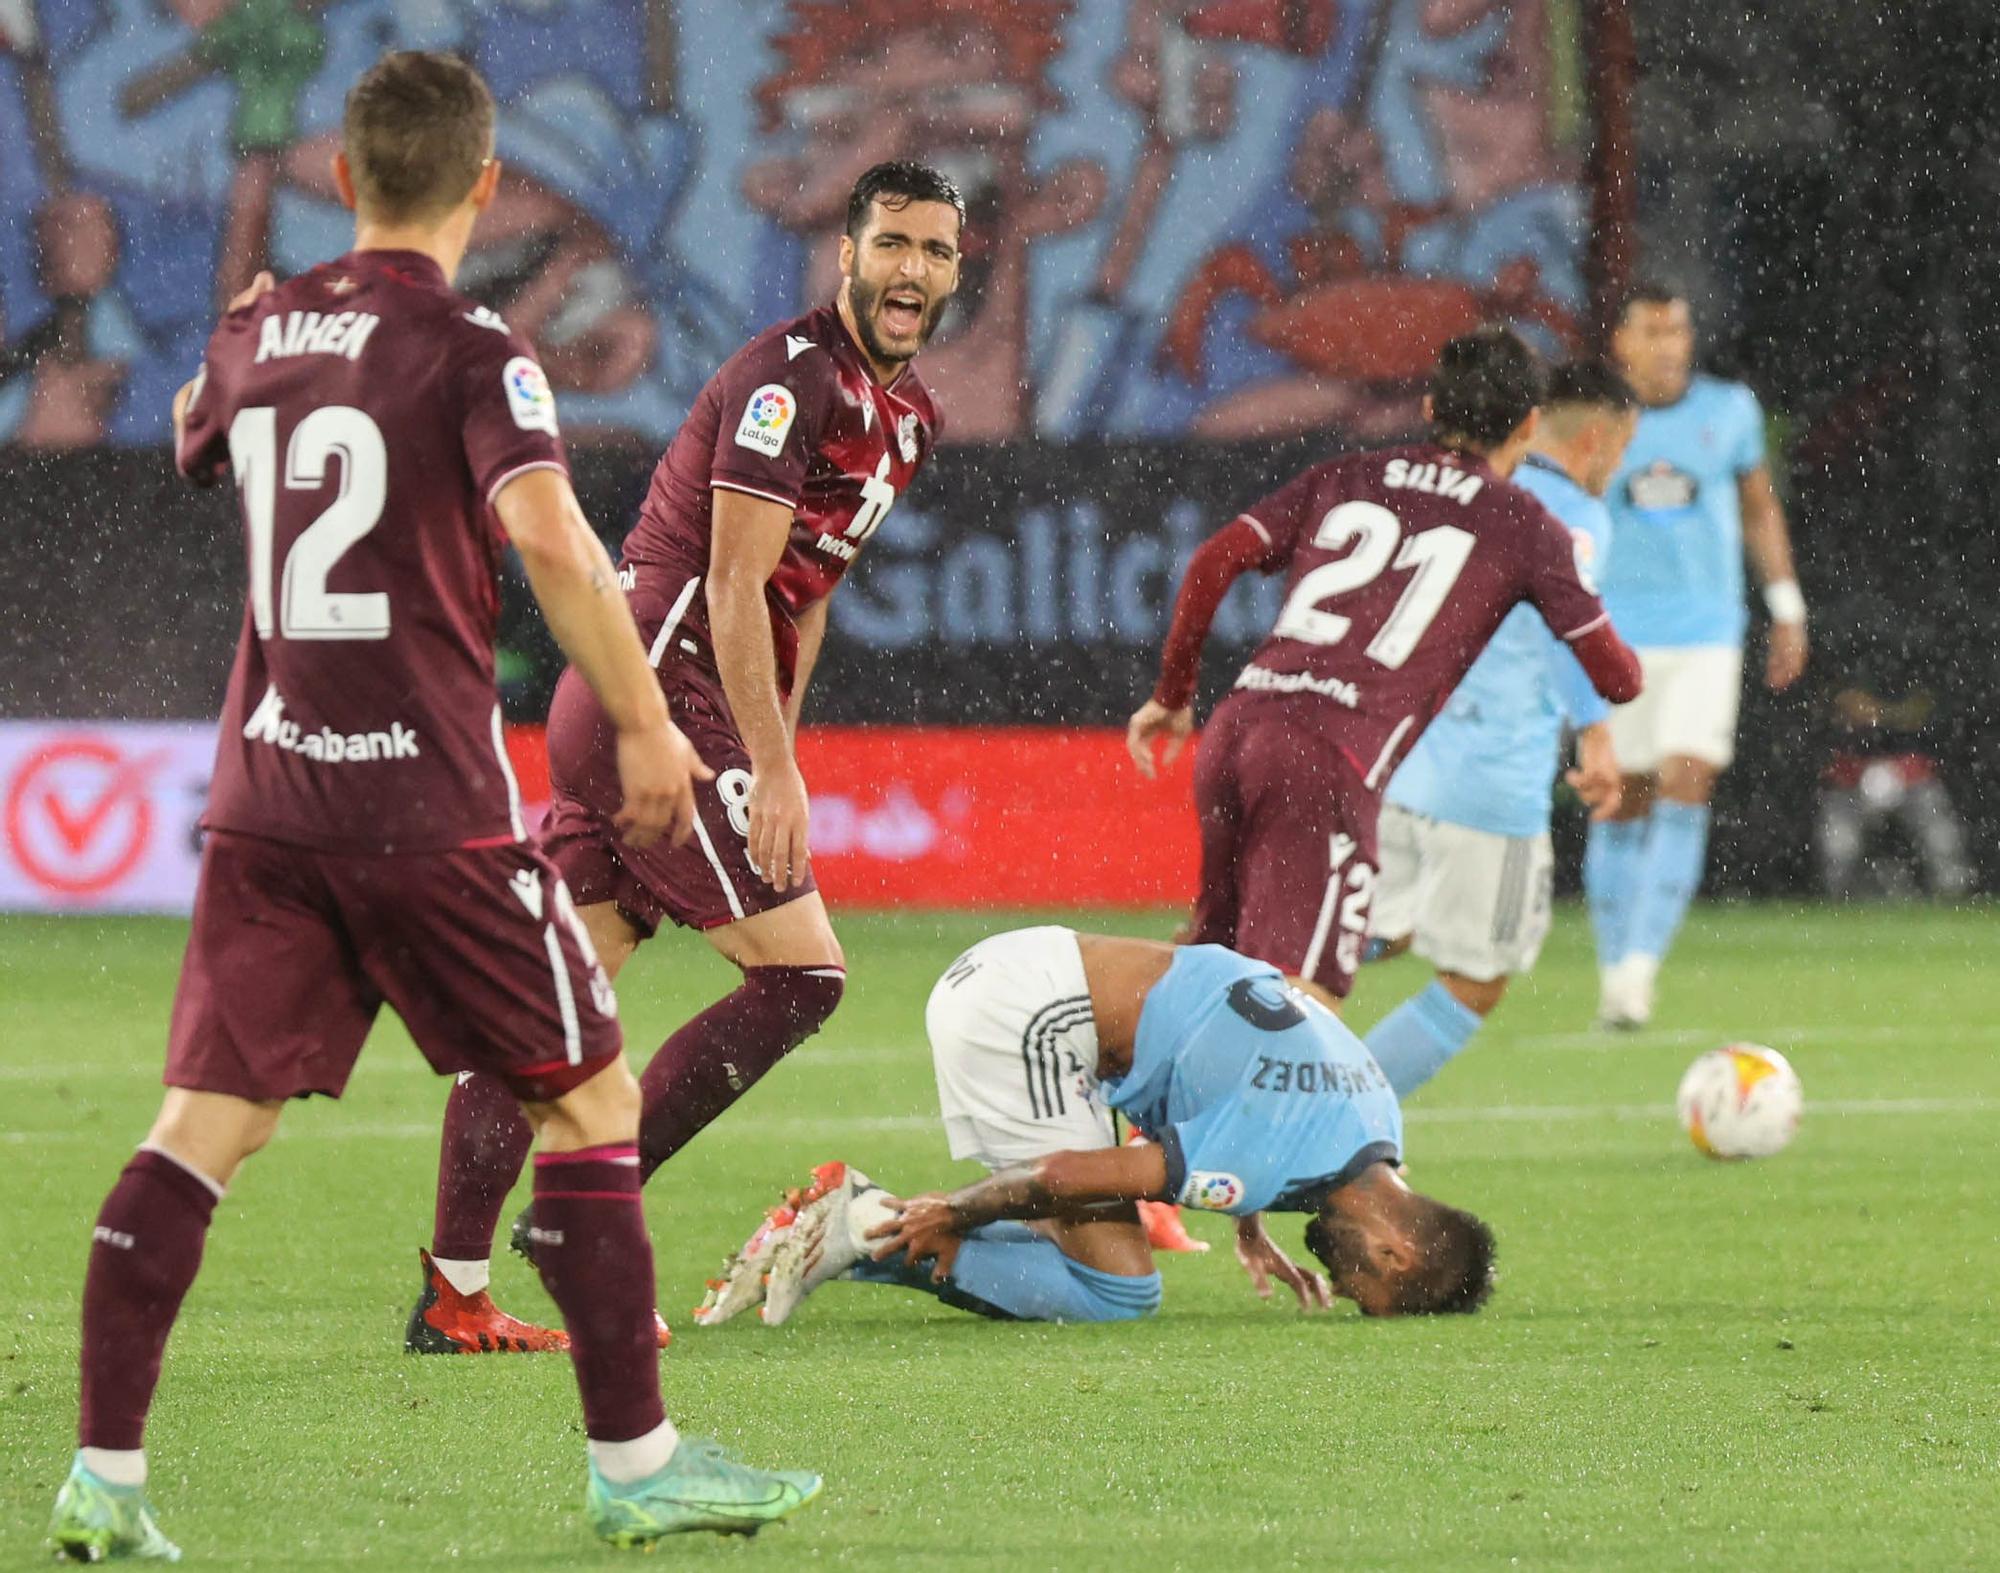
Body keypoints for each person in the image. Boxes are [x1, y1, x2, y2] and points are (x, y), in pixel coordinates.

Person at [47, 53, 819, 1562]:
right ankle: (638, 1463)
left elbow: (198, 428)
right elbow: (550, 539)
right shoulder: (478, 351)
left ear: (342, 175)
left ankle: (106, 1476)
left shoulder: (265, 325)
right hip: (427, 808)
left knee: (203, 1127)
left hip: (265, 803)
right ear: (480, 186)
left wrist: (238, 337)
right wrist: (649, 724)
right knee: (590, 1100)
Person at [406, 160, 963, 1350]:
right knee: (802, 978)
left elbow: (800, 600)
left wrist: (782, 748)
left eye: (937, 252)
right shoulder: (789, 375)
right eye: (893, 245)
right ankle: (574, 1216)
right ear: (847, 254)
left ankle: (453, 1293)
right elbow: (729, 580)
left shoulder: (908, 417)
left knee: (549, 998)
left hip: (636, 698)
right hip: (652, 696)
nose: (912, 269)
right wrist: (767, 767)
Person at [1127, 328, 1643, 1013]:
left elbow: (1211, 562)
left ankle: (1148, 1118)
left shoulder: (1347, 474)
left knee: (1215, 962)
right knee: (1300, 1010)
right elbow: (1619, 679)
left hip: (1235, 729)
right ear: (1528, 425)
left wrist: (1172, 694)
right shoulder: (1523, 522)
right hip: (1327, 758)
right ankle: (1272, 1115)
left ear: (1430, 408)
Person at [692, 929, 1493, 1328]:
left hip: (1033, 963)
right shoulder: (1260, 1157)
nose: (1351, 1292)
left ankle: (865, 1227)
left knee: (1078, 1250)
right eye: (1371, 1295)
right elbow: (1071, 1174)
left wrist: (1247, 1217)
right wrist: (958, 1207)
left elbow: (1258, 1074)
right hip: (1030, 1018)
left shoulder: (1374, 1109)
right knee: (1118, 1290)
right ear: (1398, 1249)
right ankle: (869, 1228)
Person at [1363, 362, 1640, 1096]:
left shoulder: (1464, 493)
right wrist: (1596, 731)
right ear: (1592, 440)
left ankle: (1223, 981)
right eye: (1621, 450)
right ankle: (1337, 1114)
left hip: (1401, 758)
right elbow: (1566, 621)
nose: (1618, 469)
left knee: (1367, 934)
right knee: (1476, 979)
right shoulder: (1576, 517)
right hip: (1489, 777)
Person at [1586, 284, 1809, 1028]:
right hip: (1617, 635)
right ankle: (1615, 964)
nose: (1669, 345)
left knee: (1688, 779)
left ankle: (1640, 972)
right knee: (1627, 797)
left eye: (1678, 329)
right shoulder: (1596, 420)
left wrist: (1785, 604)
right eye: (1651, 331)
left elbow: (1758, 506)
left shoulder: (1729, 411)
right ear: (1620, 342)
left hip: (1708, 632)